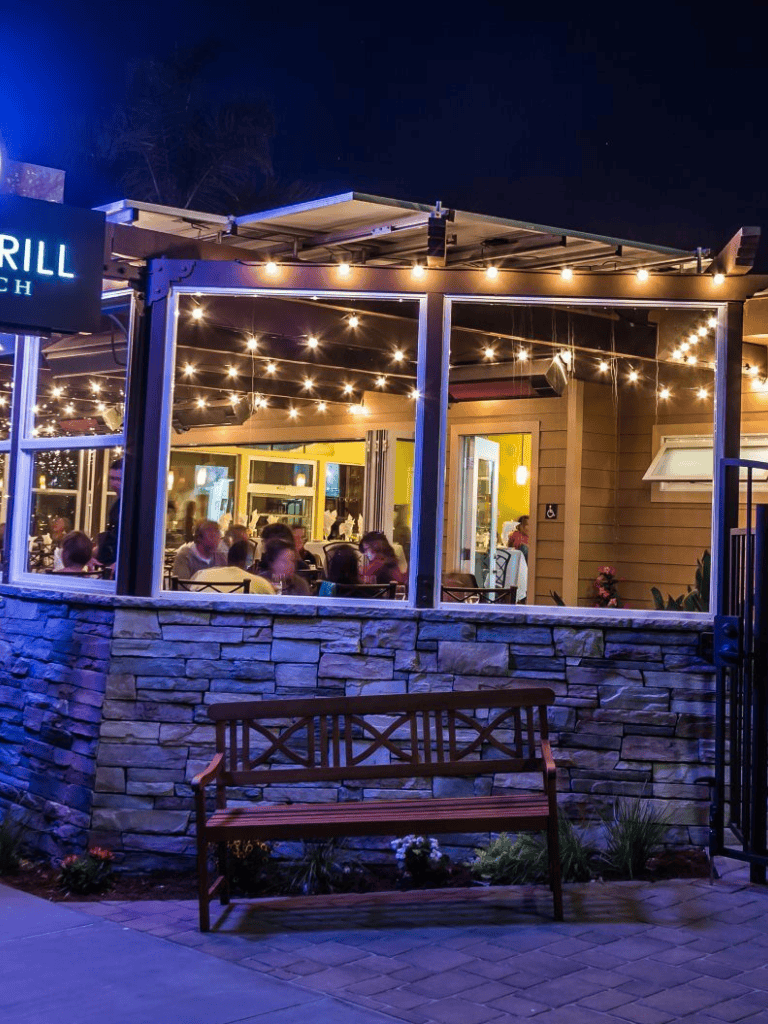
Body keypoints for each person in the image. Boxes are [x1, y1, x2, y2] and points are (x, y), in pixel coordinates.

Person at [191, 539, 275, 594]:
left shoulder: (201, 575)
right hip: (240, 621)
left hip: (196, 620)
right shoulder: (261, 584)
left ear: (228, 558)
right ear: (246, 563)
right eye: (255, 563)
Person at [94, 458, 122, 570]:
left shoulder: (131, 505)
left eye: (119, 479)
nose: (114, 483)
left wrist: (120, 563)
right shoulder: (118, 505)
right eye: (112, 478)